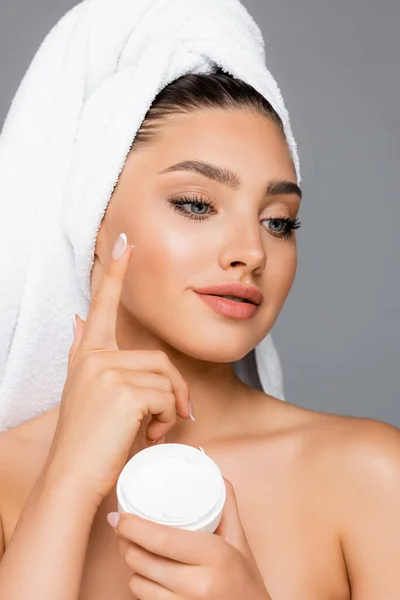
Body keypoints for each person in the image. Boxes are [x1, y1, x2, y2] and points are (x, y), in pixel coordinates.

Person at [0, 69, 399, 600]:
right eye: (196, 204)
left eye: (278, 221)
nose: (252, 253)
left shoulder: (371, 473)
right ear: (91, 218)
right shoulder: (8, 480)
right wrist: (67, 482)